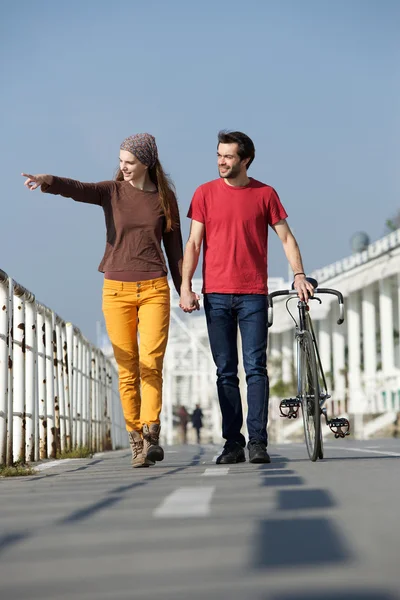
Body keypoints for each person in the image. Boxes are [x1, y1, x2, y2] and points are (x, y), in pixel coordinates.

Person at [22, 133, 183, 468]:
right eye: (121, 161)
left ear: (147, 164)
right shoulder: (112, 192)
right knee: (127, 369)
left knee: (150, 363)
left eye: (129, 162)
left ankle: (152, 433)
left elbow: (175, 248)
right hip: (116, 290)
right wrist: (46, 180)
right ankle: (136, 442)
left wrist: (186, 290)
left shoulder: (165, 200)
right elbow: (77, 188)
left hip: (155, 287)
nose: (122, 167)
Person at [179, 130, 314, 465]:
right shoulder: (204, 194)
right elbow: (194, 244)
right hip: (217, 295)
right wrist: (185, 286)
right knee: (225, 370)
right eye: (218, 155)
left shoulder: (265, 194)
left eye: (228, 156)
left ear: (245, 159)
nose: (221, 162)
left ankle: (257, 442)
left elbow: (287, 238)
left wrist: (299, 275)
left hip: (253, 293)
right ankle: (233, 443)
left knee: (256, 368)